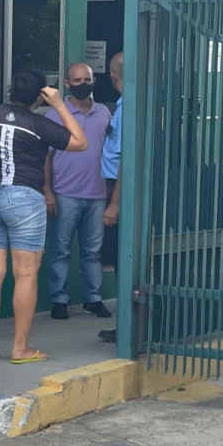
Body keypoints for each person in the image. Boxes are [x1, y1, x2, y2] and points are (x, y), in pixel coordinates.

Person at [0, 69, 88, 367]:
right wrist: (59, 105)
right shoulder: (38, 123)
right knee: (26, 274)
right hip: (24, 200)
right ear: (38, 96)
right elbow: (80, 142)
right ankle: (20, 349)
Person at [44, 63, 113, 320]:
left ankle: (93, 298)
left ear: (94, 81)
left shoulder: (105, 113)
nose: (83, 84)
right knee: (61, 249)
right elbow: (46, 158)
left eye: (87, 79)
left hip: (97, 195)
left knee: (93, 251)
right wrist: (47, 191)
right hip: (65, 194)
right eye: (77, 80)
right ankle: (59, 299)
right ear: (66, 83)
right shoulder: (55, 116)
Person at [99, 52, 124, 345]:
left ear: (112, 75)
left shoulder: (127, 106)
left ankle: (128, 326)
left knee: (121, 257)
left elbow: (125, 160)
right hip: (116, 186)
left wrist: (114, 202)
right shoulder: (124, 104)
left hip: (119, 189)